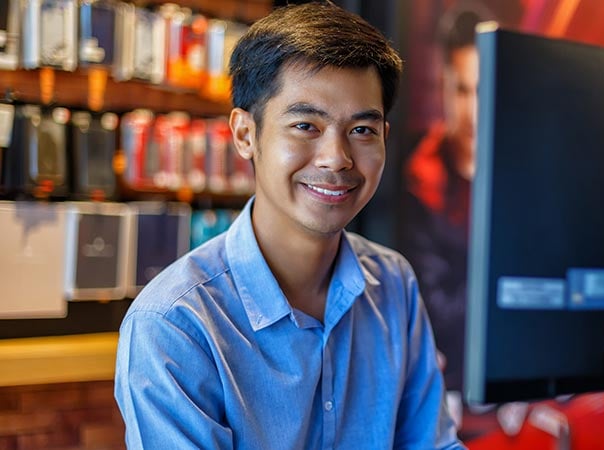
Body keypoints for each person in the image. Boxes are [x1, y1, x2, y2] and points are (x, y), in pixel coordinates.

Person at [114, 3, 463, 449]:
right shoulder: (175, 326)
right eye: (305, 125)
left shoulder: (393, 283)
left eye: (361, 130)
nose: (336, 158)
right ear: (245, 134)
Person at [400, 1, 483, 402]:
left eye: (483, 91)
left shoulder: (523, 173)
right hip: (449, 390)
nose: (472, 111)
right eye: (462, 90)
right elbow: (435, 312)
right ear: (444, 87)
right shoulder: (420, 179)